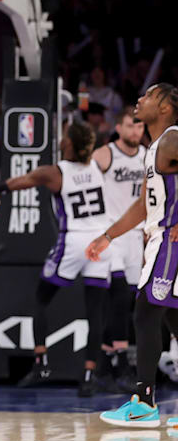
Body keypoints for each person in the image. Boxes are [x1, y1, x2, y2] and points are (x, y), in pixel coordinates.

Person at [0, 121, 109, 397]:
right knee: (95, 311)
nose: (60, 141)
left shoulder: (53, 172)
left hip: (73, 240)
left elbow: (9, 185)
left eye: (64, 138)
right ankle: (89, 375)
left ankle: (42, 363)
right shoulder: (100, 164)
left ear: (69, 144)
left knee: (40, 299)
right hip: (101, 241)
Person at [87, 84, 178, 428]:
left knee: (145, 313)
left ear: (167, 107)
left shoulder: (172, 138)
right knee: (172, 321)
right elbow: (143, 204)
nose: (139, 100)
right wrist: (108, 235)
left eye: (150, 96)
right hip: (159, 239)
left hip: (171, 240)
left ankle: (144, 401)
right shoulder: (153, 149)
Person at [91, 108, 145, 391]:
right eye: (129, 126)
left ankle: (105, 363)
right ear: (119, 127)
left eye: (138, 126)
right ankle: (120, 363)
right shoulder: (105, 154)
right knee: (118, 298)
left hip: (137, 236)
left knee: (134, 305)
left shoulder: (148, 154)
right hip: (111, 235)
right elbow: (81, 178)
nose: (135, 131)